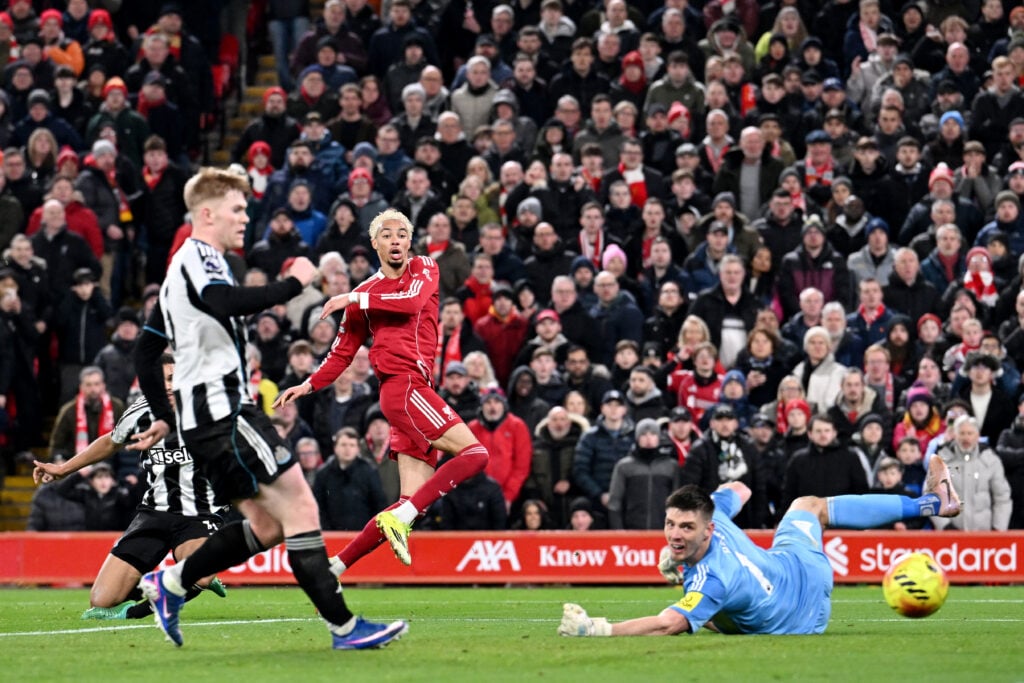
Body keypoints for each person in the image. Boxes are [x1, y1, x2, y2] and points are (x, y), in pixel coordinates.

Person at [131, 168, 406, 650]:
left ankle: (170, 584)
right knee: (301, 506)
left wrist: (161, 415)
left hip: (205, 420)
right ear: (208, 213)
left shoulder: (180, 273)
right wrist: (293, 284)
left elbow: (146, 351)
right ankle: (343, 627)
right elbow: (224, 301)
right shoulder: (199, 258)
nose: (245, 217)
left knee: (269, 524)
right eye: (238, 209)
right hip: (224, 414)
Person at [275, 208, 491, 574]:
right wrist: (309, 383)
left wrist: (353, 299)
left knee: (410, 503)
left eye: (402, 234)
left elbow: (409, 302)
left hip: (413, 391)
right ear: (375, 243)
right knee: (476, 454)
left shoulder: (423, 268)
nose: (396, 240)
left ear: (410, 241)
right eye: (388, 235)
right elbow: (342, 351)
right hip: (403, 387)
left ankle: (335, 568)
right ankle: (399, 519)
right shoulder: (363, 294)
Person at [557, 454, 963, 637]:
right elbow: (742, 487)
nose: (675, 534)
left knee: (710, 618)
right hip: (800, 570)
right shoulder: (713, 512)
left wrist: (597, 629)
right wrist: (716, 499)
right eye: (669, 524)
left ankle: (932, 502)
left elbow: (668, 624)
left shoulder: (712, 577)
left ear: (708, 530)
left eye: (685, 526)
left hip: (800, 622)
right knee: (808, 506)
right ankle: (930, 503)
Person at [32, 353, 228, 620]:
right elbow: (111, 442)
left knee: (201, 575)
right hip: (155, 512)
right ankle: (181, 579)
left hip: (200, 512)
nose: (168, 386)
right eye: (161, 381)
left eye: (173, 378)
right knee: (102, 600)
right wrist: (64, 469)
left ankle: (152, 603)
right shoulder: (140, 411)